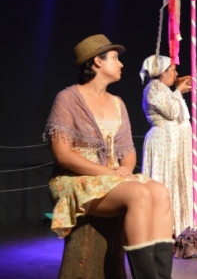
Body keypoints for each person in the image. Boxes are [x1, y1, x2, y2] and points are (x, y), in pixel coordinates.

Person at [44, 34, 174, 279]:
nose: (121, 64)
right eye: (115, 58)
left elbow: (128, 151)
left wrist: (125, 169)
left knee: (160, 192)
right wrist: (112, 174)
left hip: (113, 177)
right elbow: (63, 155)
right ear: (97, 61)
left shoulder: (117, 103)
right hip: (74, 178)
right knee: (138, 193)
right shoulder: (68, 99)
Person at [139, 55, 197, 237]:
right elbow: (172, 112)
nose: (176, 74)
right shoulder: (153, 88)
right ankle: (161, 228)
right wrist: (178, 91)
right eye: (173, 70)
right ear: (162, 72)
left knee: (175, 182)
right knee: (164, 181)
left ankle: (178, 227)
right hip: (163, 144)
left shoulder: (163, 89)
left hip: (172, 144)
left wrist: (179, 91)